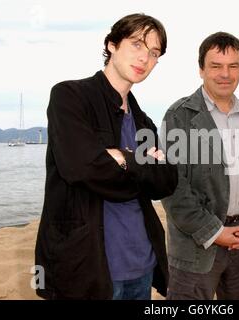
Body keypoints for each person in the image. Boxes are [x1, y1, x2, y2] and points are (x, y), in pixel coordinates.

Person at [35, 13, 178, 300]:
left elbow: (167, 181)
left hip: (142, 262)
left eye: (153, 53)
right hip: (89, 267)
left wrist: (122, 158)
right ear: (112, 44)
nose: (144, 59)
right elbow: (82, 169)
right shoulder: (69, 96)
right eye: (137, 45)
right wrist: (142, 162)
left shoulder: (143, 121)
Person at [161, 32, 239, 300]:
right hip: (195, 250)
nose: (225, 74)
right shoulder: (180, 116)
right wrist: (215, 232)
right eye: (216, 66)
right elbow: (172, 187)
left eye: (233, 66)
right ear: (201, 69)